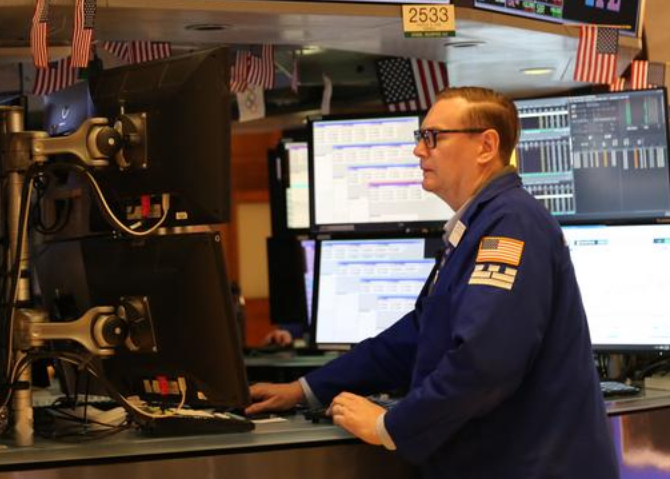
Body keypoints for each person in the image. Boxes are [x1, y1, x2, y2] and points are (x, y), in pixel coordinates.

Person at [246, 87, 618, 478]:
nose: (419, 151)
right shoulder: (478, 226)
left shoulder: (511, 224)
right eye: (420, 138)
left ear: (486, 146)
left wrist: (389, 426)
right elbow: (415, 336)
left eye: (433, 137)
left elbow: (484, 363)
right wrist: (306, 389)